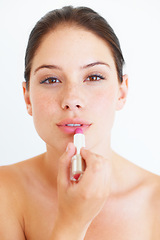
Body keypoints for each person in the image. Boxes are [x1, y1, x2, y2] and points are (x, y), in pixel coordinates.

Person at [0, 5, 159, 240]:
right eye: (51, 79)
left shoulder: (155, 201)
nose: (72, 99)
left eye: (94, 77)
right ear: (27, 97)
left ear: (122, 92)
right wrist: (72, 223)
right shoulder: (5, 192)